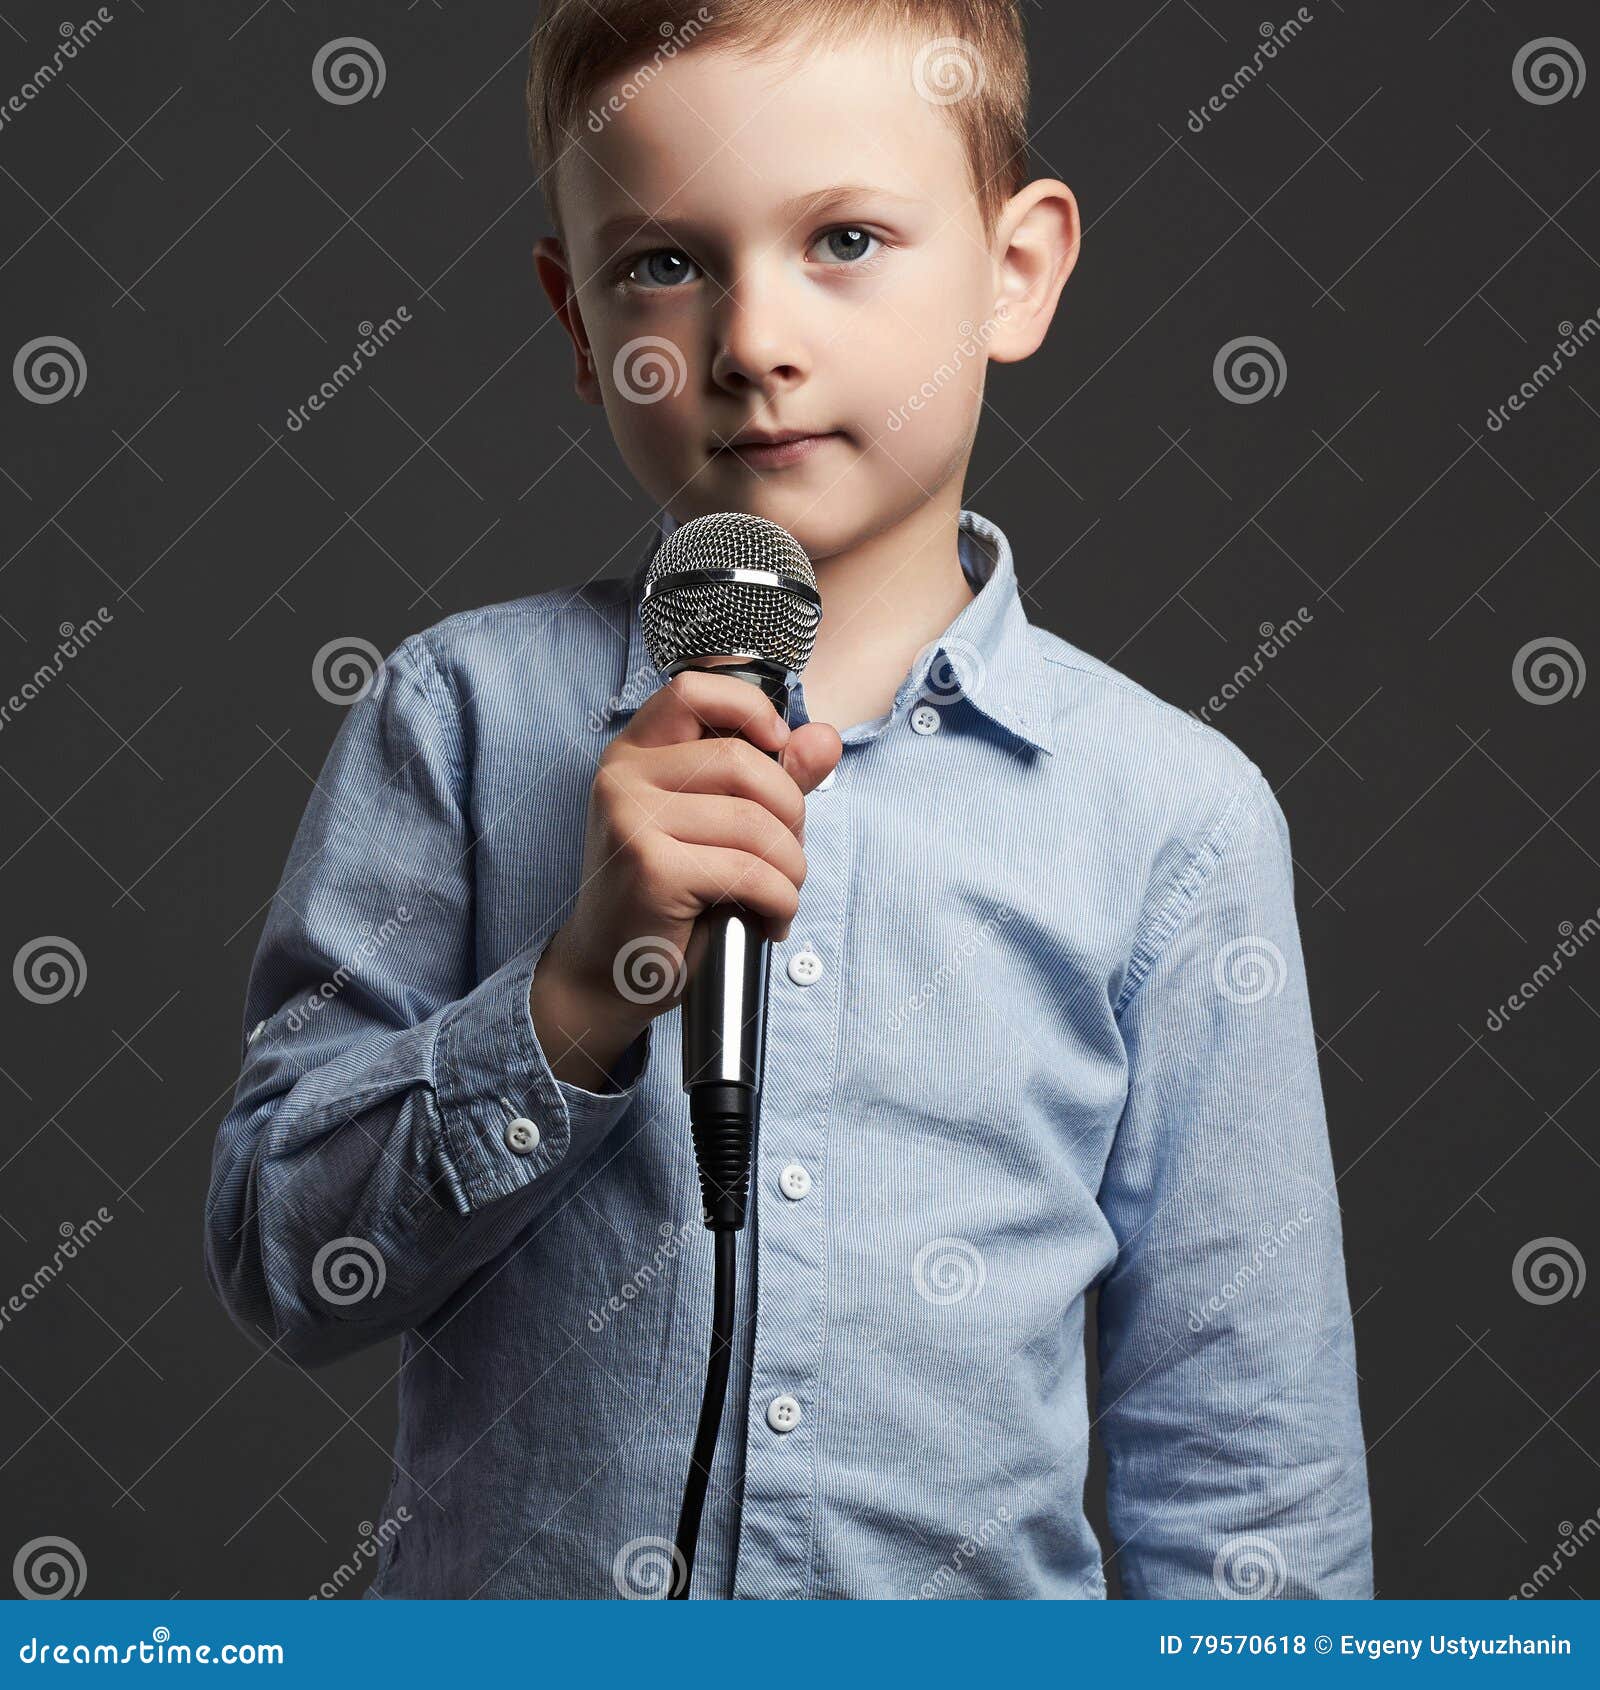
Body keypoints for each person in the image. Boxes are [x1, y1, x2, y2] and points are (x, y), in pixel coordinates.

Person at [204, 0, 1374, 1600]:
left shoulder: (1170, 816)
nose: (753, 339)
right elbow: (287, 1250)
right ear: (576, 316)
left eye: (845, 238)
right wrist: (568, 994)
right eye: (665, 265)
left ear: (1014, 270)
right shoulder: (458, 716)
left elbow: (1251, 1467)